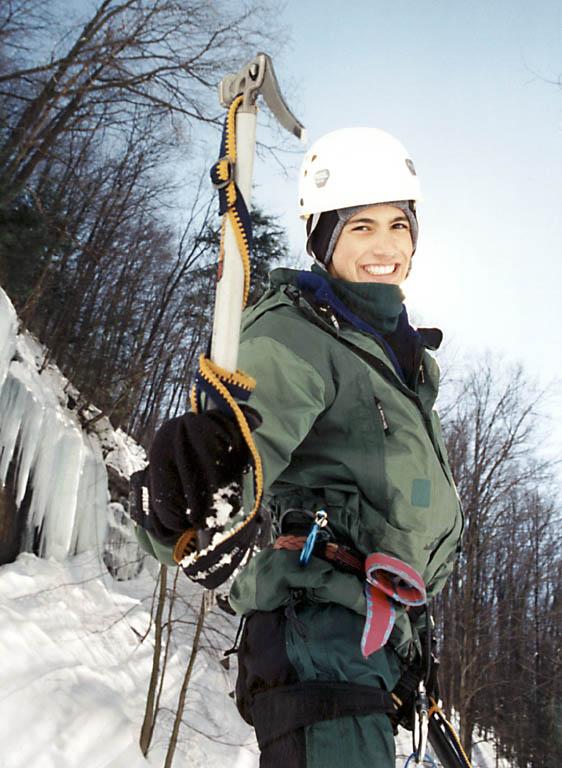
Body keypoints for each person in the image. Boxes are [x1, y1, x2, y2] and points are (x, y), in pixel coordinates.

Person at [132, 126, 463, 767]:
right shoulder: (298, 334)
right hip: (318, 629)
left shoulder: (403, 359)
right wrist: (191, 496)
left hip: (373, 638)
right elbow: (242, 451)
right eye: (359, 228)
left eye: (398, 224)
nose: (385, 246)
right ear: (323, 239)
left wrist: (412, 645)